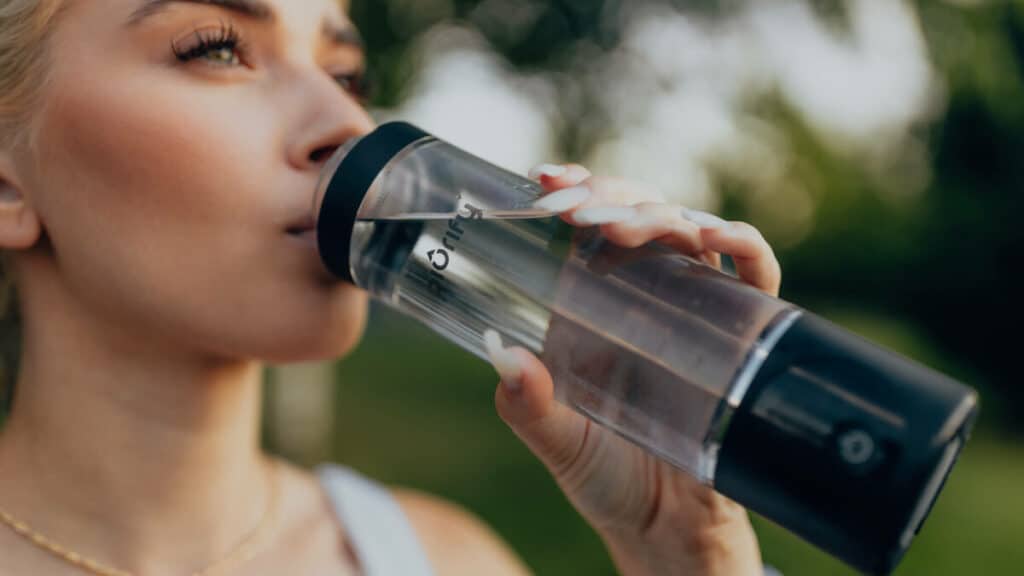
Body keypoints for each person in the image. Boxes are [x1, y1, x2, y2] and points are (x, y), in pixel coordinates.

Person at [0, 0, 782, 574]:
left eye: (346, 74)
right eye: (216, 49)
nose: (348, 123)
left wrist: (689, 553)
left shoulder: (448, 563)